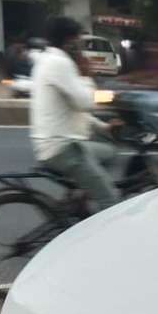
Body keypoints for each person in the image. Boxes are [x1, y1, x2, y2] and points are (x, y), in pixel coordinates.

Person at [31, 16, 118, 209]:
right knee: (110, 199)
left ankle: (82, 193)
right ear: (69, 41)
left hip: (53, 144)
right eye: (78, 41)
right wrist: (87, 76)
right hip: (64, 148)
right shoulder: (60, 64)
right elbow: (86, 102)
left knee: (109, 153)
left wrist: (103, 127)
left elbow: (74, 107)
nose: (80, 47)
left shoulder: (46, 60)